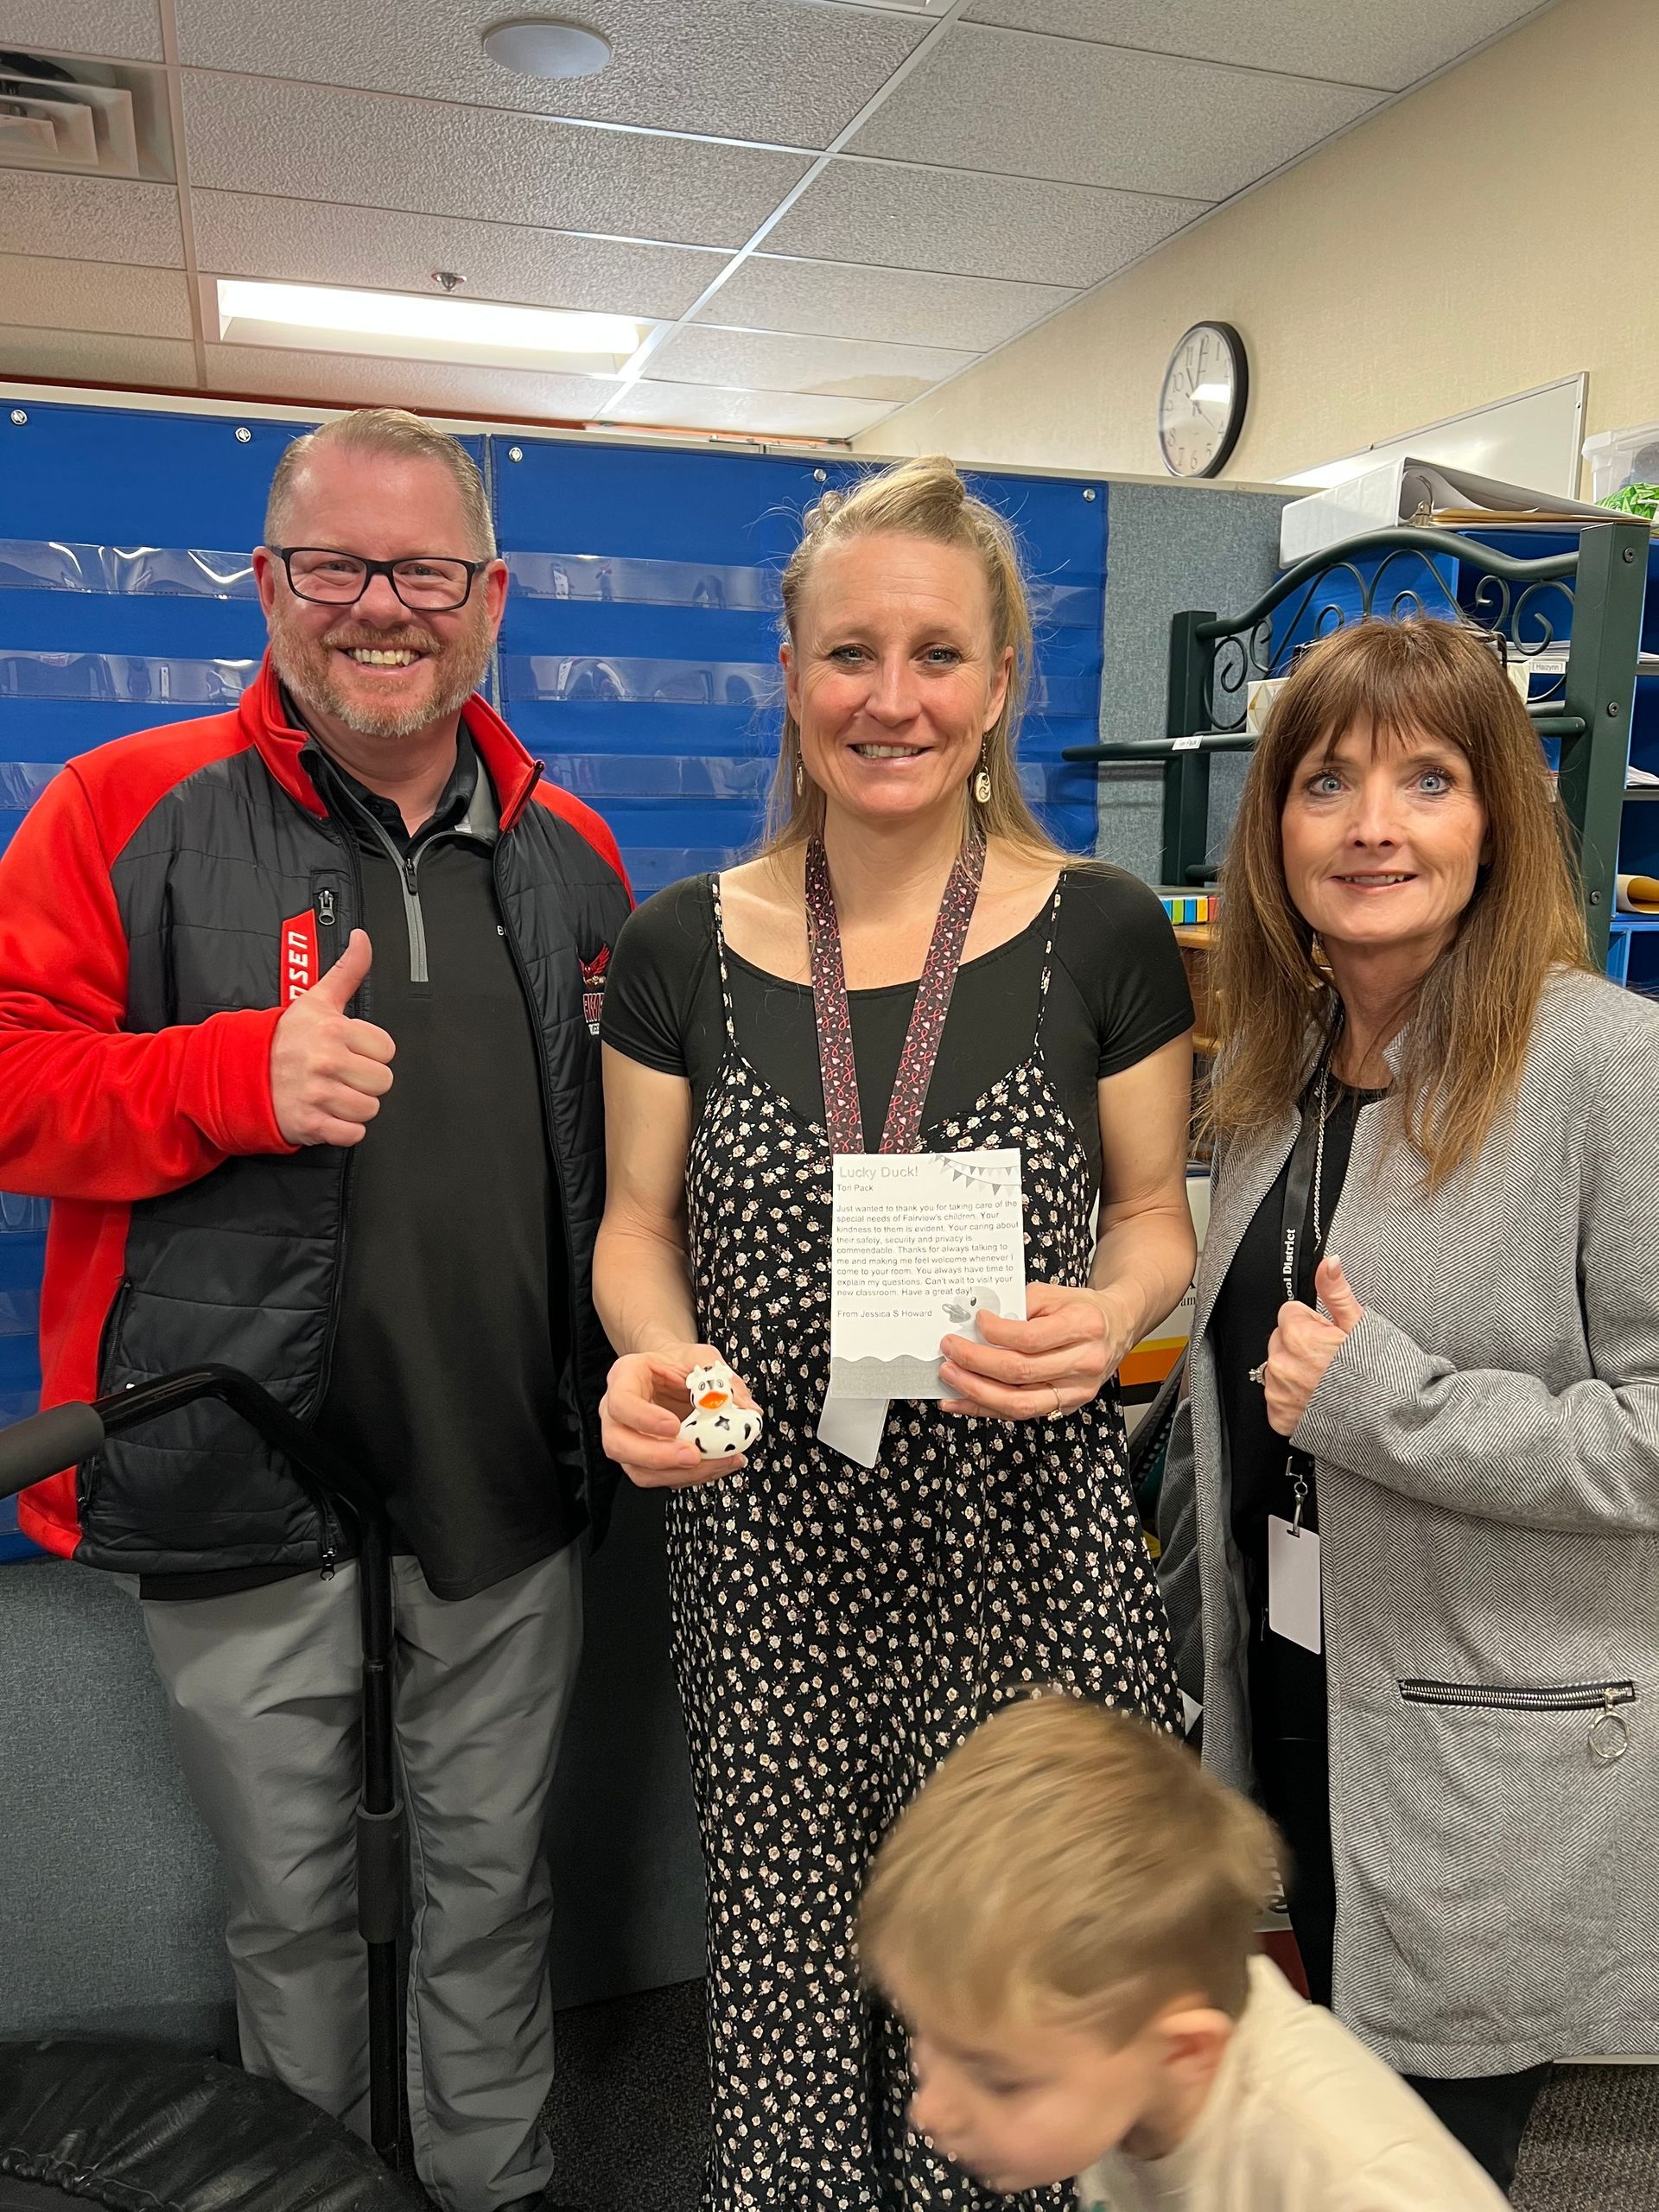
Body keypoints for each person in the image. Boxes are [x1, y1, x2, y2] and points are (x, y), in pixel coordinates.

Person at [0, 408, 631, 2212]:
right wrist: (223, 1078)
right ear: (268, 583)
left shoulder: (571, 850)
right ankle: (310, 2188)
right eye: (338, 565)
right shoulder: (124, 811)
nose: (382, 606)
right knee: (286, 1900)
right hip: (230, 1465)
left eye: (423, 568)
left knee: (494, 1878)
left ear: (489, 595)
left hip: (504, 1462)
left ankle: (496, 2181)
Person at [594, 454, 1197, 2209]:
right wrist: (668, 1359)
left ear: (1000, 682)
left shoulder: (1103, 926)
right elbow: (638, 1235)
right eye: (850, 652)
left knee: (1008, 1987)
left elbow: (1157, 1210)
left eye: (939, 655)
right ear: (791, 674)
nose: (893, 697)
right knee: (785, 1964)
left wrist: (1113, 1308)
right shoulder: (672, 946)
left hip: (1022, 1539)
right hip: (770, 1539)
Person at [1157, 616, 1659, 2193]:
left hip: (1491, 1765)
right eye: (1327, 784)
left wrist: (1396, 1406)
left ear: (1496, 818)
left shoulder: (1606, 1065)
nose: (1374, 825)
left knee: (1420, 2174)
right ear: (1275, 828)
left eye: (1429, 780)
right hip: (1309, 1709)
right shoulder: (1278, 1066)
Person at [860, 1695, 1510, 2209]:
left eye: (998, 2079)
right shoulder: (1132, 2030)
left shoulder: (1353, 2185)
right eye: (925, 2037)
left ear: (1185, 2051)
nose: (929, 2111)